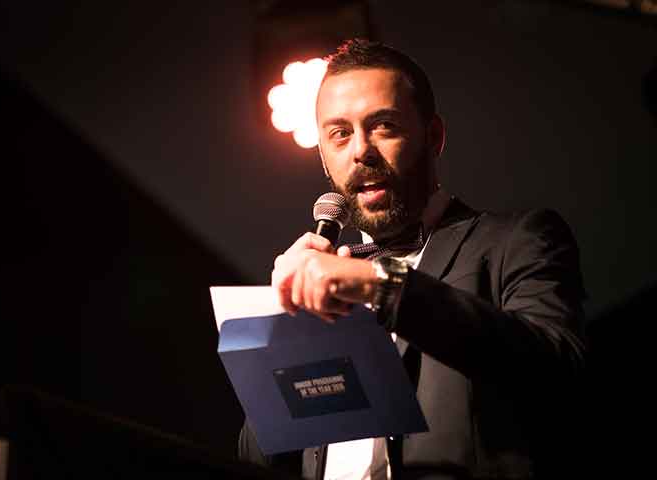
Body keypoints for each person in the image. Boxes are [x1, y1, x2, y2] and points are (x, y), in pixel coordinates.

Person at [239, 39, 587, 480]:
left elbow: (559, 373)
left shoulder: (516, 239)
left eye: (383, 125)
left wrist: (379, 285)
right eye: (340, 133)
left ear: (433, 137)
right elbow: (255, 463)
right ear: (324, 157)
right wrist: (286, 331)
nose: (361, 150)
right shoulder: (318, 290)